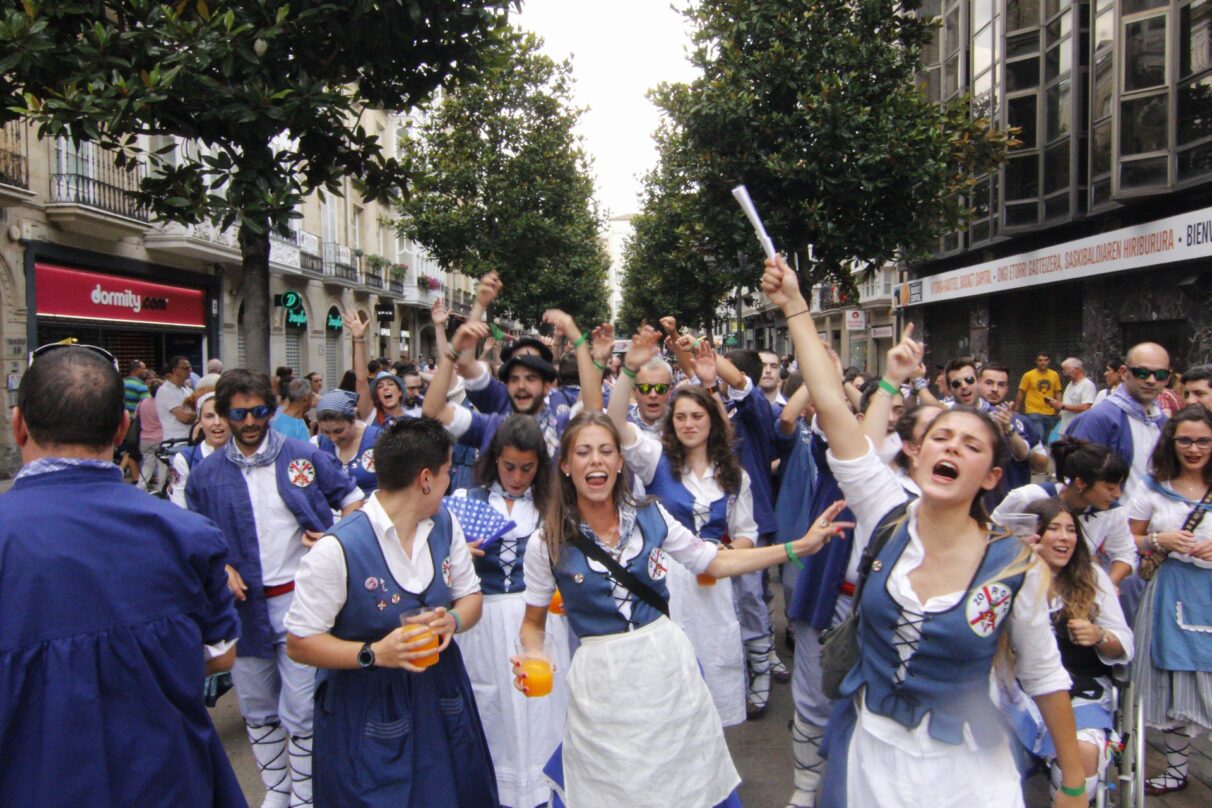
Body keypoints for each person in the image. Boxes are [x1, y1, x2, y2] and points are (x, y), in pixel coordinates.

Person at [760, 254, 1086, 808]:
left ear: (992, 475)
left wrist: (1074, 785)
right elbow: (834, 405)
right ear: (914, 458)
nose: (951, 446)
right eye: (940, 437)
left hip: (968, 771)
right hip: (872, 760)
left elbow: (1045, 675)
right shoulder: (886, 512)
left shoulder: (1014, 565)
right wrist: (794, 305)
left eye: (971, 444)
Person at [516, 411, 853, 808]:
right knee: (613, 785)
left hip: (664, 663)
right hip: (601, 678)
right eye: (584, 452)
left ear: (620, 462)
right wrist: (533, 656)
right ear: (565, 465)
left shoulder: (651, 515)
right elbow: (532, 624)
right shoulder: (547, 541)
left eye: (606, 451)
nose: (596, 461)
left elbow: (715, 561)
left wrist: (797, 548)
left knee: (680, 777)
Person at [0, 344, 242, 807]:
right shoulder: (186, 535)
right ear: (123, 426)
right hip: (167, 784)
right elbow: (221, 654)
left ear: (18, 424)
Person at [285, 418, 498, 807]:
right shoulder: (337, 549)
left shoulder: (444, 524)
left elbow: (470, 597)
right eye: (448, 471)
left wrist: (451, 620)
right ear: (426, 479)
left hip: (440, 695)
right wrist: (373, 653)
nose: (450, 481)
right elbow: (299, 643)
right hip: (367, 710)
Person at [186, 369, 364, 808]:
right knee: (258, 708)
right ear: (224, 414)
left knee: (302, 711)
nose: (249, 422)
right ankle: (276, 791)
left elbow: (355, 500)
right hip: (243, 612)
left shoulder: (303, 455)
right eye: (239, 413)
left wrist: (336, 536)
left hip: (302, 603)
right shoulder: (204, 476)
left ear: (271, 408)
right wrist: (219, 566)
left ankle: (305, 796)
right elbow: (193, 537)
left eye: (260, 411)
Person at [607, 331, 753, 727]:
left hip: (713, 585)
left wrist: (729, 551)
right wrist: (630, 370)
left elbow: (747, 533)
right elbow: (615, 421)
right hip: (664, 583)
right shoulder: (655, 460)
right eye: (681, 417)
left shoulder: (734, 477)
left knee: (714, 685)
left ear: (711, 421)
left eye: (697, 416)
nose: (689, 424)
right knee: (668, 691)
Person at [451, 415, 570, 807]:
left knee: (542, 706)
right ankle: (495, 793)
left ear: (541, 465)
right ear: (494, 461)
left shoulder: (552, 505)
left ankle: (545, 791)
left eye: (527, 468)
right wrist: (455, 555)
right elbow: (432, 559)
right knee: (491, 703)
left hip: (537, 617)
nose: (517, 477)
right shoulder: (466, 502)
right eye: (509, 467)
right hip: (481, 618)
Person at [1001, 498, 1132, 800]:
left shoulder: (1093, 577)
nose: (1064, 537)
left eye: (1071, 530)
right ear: (1033, 535)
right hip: (1014, 689)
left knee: (1084, 751)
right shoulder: (1005, 575)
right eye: (1054, 529)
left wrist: (1099, 636)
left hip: (1079, 688)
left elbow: (1124, 644)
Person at [1125, 405, 1212, 795]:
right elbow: (1125, 539)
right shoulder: (1153, 486)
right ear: (1171, 442)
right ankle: (1176, 769)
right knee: (1173, 681)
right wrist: (1160, 540)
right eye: (1185, 440)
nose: (1194, 449)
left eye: (1203, 441)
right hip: (1168, 593)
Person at [993, 439, 1134, 586]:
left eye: (1119, 486)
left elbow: (1125, 553)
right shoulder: (1028, 497)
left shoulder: (1113, 511)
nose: (1118, 494)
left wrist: (1107, 587)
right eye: (1110, 488)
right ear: (1081, 483)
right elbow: (989, 536)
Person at [168, 391, 231, 509]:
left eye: (223, 415)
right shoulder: (185, 459)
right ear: (200, 421)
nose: (217, 422)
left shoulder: (244, 456)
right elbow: (179, 507)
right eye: (209, 416)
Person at [312, 389, 381, 494]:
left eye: (339, 431)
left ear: (353, 420)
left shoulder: (378, 440)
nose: (333, 438)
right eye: (326, 432)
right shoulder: (317, 444)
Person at [1016, 352, 1063, 447]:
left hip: (1049, 412)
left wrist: (1059, 407)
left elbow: (1057, 391)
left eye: (1045, 360)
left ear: (1049, 361)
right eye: (1040, 360)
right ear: (1036, 361)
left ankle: (1044, 458)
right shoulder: (1028, 375)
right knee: (1039, 437)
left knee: (1047, 439)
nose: (1043, 363)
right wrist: (1016, 409)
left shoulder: (1054, 375)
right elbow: (1021, 393)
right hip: (1034, 411)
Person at [1050, 358, 1096, 436]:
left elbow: (1086, 407)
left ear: (1077, 369)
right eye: (1064, 371)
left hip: (1078, 429)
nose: (1066, 374)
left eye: (1067, 371)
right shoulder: (1070, 384)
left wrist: (1063, 406)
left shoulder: (1087, 385)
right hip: (1065, 428)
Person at [157, 355, 196, 441]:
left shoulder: (187, 390)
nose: (189, 371)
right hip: (176, 441)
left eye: (190, 368)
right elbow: (185, 418)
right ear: (174, 370)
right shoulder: (165, 391)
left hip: (189, 439)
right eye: (185, 368)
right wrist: (199, 414)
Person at [137, 374, 166, 491]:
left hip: (144, 438)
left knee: (147, 464)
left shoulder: (142, 403)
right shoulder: (162, 404)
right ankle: (160, 489)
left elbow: (136, 417)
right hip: (160, 438)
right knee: (162, 465)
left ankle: (140, 486)